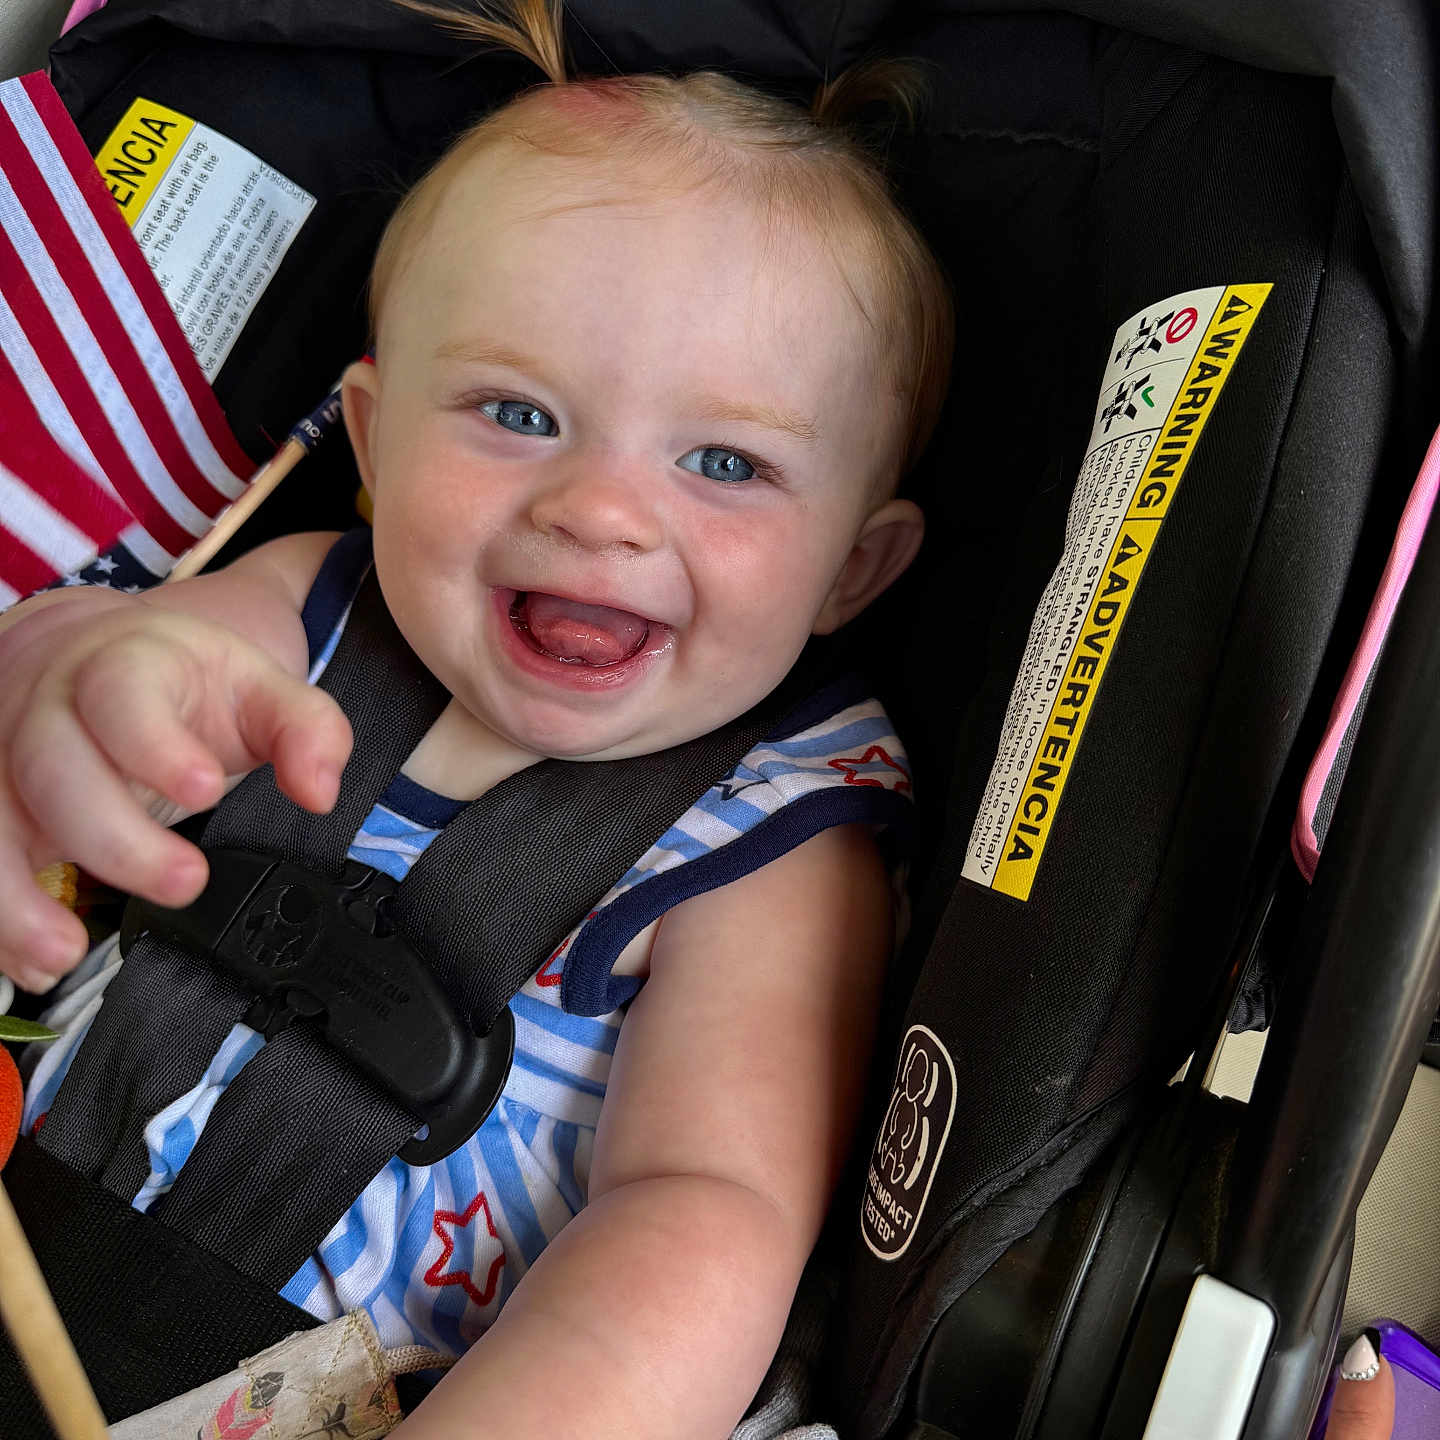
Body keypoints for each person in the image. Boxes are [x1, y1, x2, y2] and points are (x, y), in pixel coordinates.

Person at [0, 2, 953, 1434]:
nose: (602, 510)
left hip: (404, 1392)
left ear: (853, 569)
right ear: (373, 444)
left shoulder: (778, 830)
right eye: (517, 415)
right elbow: (152, 660)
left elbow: (704, 1212)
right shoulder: (312, 604)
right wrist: (96, 676)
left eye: (723, 462)